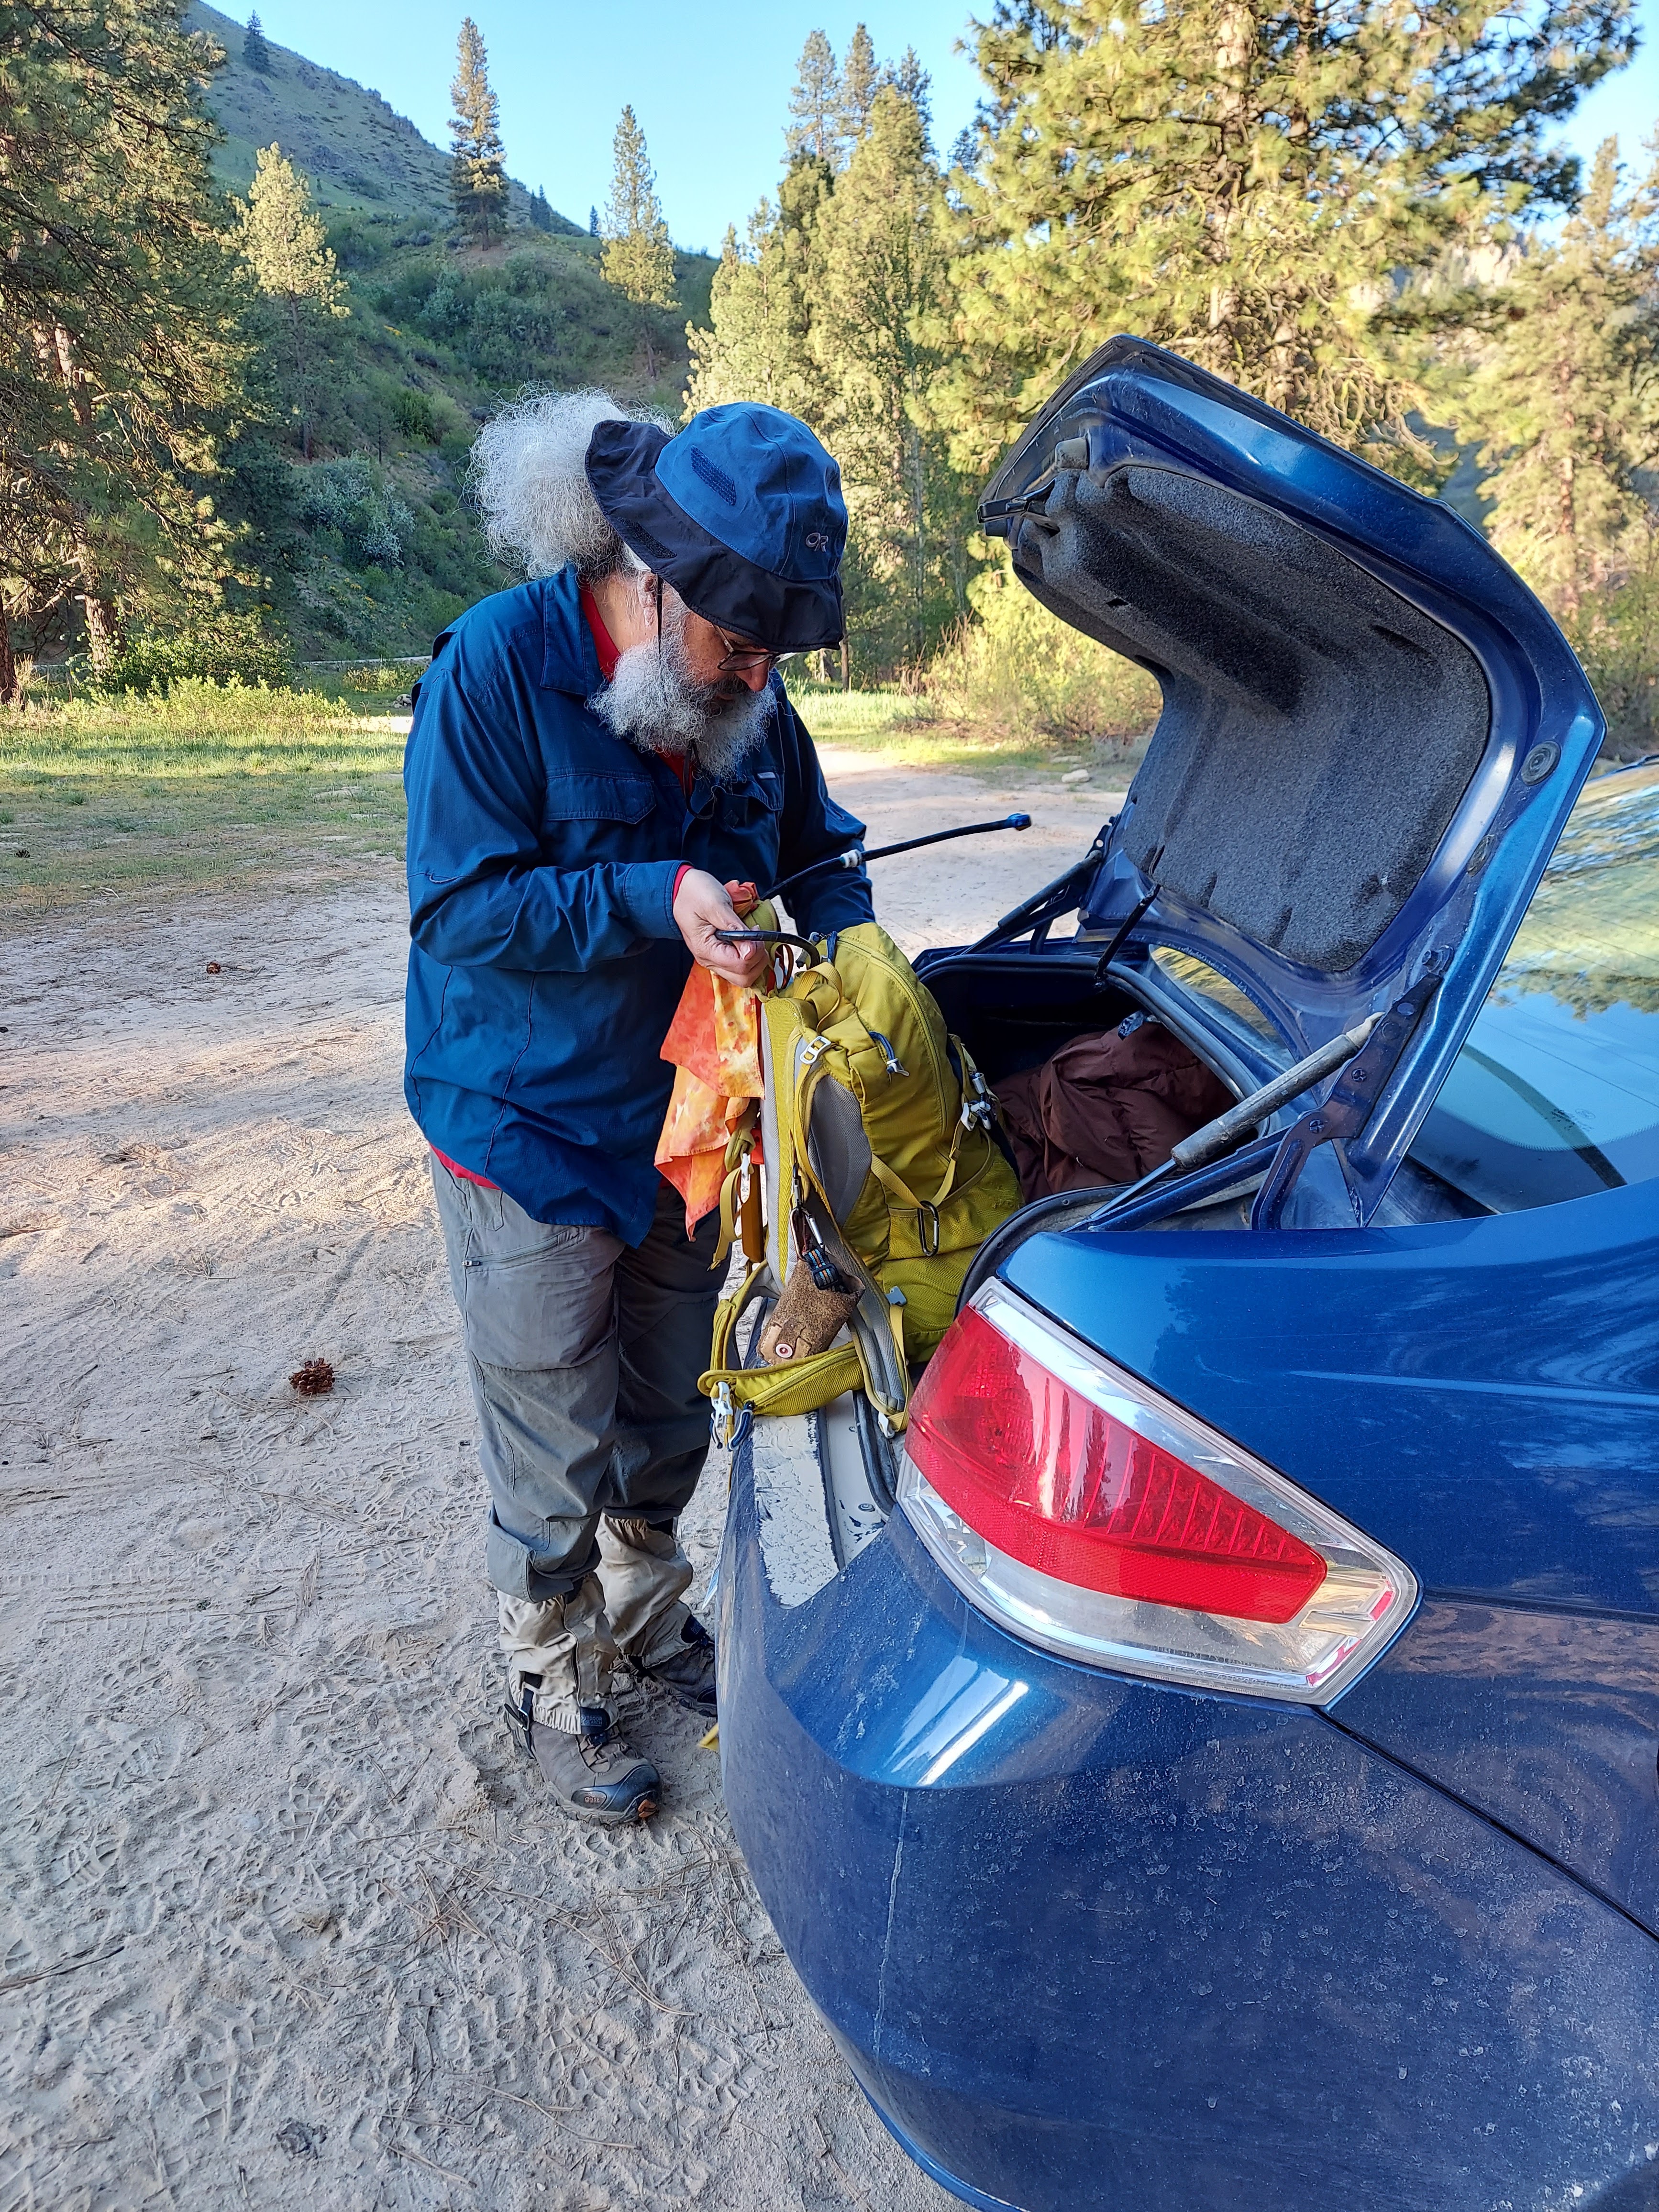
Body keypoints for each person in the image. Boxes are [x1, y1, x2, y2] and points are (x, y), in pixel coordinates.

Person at [402, 389, 874, 1826]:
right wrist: (649, 897)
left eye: (779, 649)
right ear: (653, 578)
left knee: (667, 1401)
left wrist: (846, 954)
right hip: (527, 1125)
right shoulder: (498, 665)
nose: (759, 674)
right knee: (555, 1417)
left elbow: (824, 854)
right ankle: (553, 1668)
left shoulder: (750, 698)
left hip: (688, 1126)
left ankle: (649, 1619)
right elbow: (459, 910)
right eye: (740, 641)